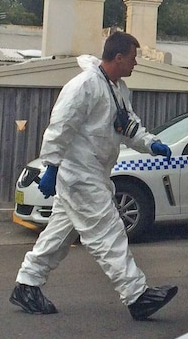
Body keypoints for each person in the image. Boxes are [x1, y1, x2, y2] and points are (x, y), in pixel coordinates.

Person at [10, 31, 178, 320]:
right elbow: (60, 127)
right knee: (109, 231)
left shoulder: (117, 88)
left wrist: (151, 143)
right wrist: (51, 166)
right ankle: (137, 295)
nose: (136, 64)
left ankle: (27, 284)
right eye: (134, 58)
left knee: (59, 234)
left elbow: (126, 125)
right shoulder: (84, 86)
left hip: (93, 173)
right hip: (79, 175)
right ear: (119, 57)